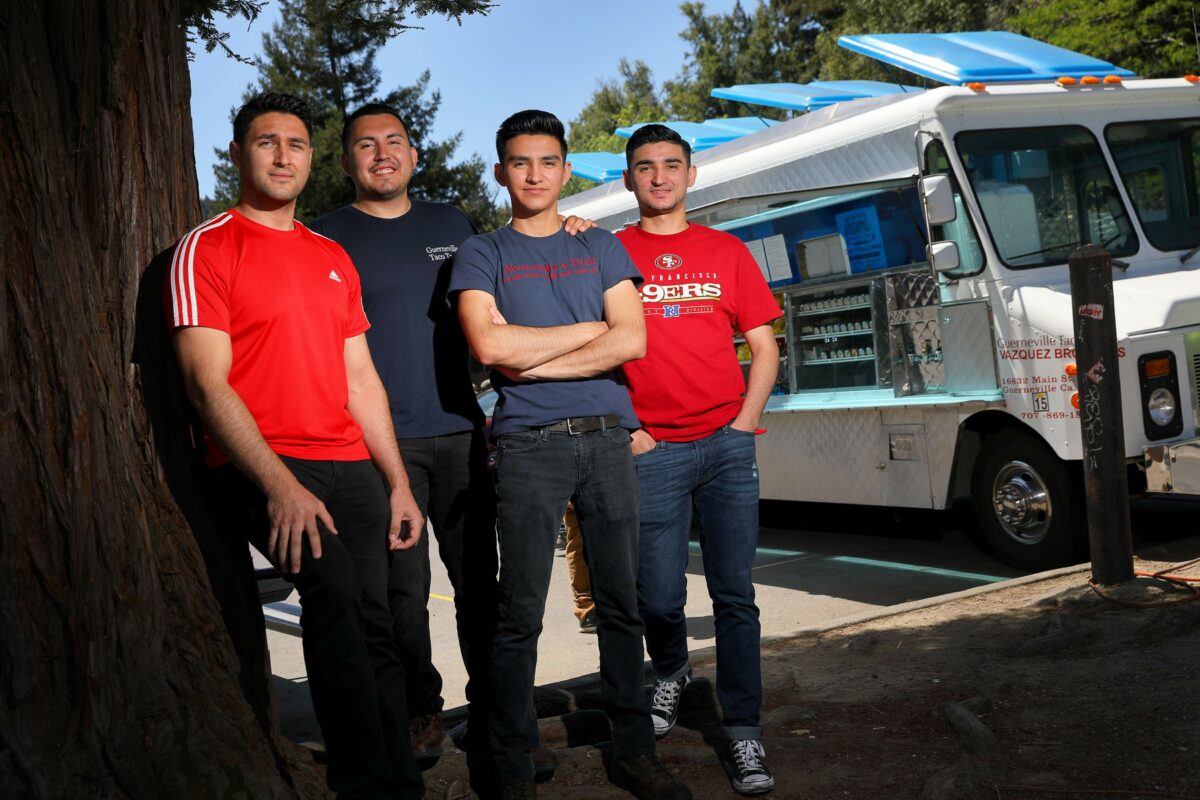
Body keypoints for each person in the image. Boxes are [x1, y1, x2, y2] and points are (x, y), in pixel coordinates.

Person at [169, 92, 425, 800]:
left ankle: (400, 779)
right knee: (336, 601)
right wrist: (280, 486)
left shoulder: (330, 255)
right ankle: (362, 783)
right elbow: (205, 385)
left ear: (313, 159)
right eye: (266, 142)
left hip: (352, 465)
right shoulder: (206, 248)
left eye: (297, 144)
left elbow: (361, 378)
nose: (284, 156)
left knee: (380, 622)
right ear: (237, 153)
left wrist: (397, 482)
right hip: (270, 464)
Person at [449, 110, 691, 800]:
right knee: (519, 609)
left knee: (621, 604)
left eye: (548, 161)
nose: (534, 174)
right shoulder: (483, 254)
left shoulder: (603, 246)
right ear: (502, 172)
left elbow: (632, 340)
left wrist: (539, 355)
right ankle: (507, 760)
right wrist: (586, 333)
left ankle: (634, 749)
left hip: (607, 442)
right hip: (528, 447)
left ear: (564, 169)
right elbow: (490, 350)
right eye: (520, 162)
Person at [308, 103, 497, 766]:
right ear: (345, 161)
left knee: (481, 587)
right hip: (380, 446)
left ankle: (499, 716)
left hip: (463, 435)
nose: (382, 154)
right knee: (401, 598)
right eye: (366, 145)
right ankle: (422, 714)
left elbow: (491, 313)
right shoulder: (324, 237)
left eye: (395, 142)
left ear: (414, 155)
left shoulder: (452, 223)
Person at [616, 124, 782, 797]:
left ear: (691, 175)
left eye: (671, 165)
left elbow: (764, 346)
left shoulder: (726, 252)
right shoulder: (608, 252)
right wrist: (630, 427)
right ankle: (674, 670)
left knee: (734, 595)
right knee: (657, 595)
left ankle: (743, 730)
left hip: (724, 445)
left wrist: (744, 424)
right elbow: (597, 348)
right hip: (651, 449)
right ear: (628, 179)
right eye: (646, 167)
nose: (659, 177)